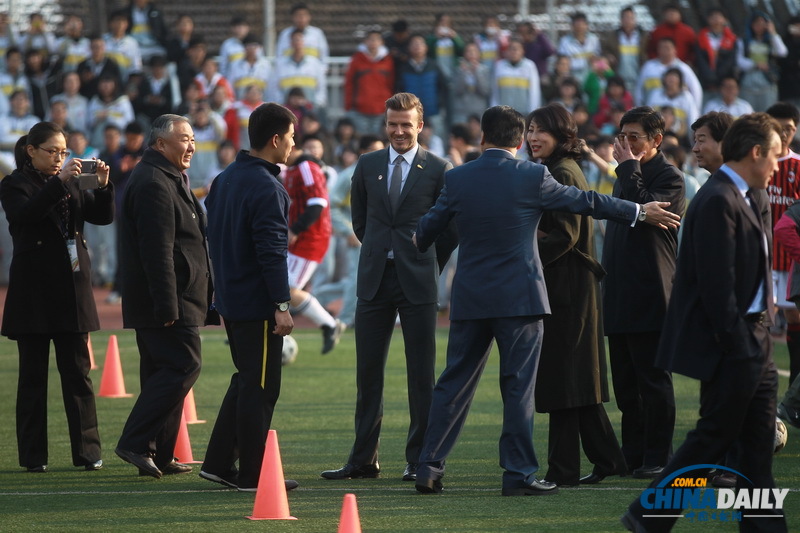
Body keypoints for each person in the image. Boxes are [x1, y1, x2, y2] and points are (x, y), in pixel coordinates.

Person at [411, 105, 681, 495]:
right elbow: (588, 201)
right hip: (521, 299)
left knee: (453, 383)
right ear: (519, 141)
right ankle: (518, 475)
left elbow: (424, 233)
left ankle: (429, 468)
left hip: (471, 299)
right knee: (519, 389)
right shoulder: (533, 176)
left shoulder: (458, 179)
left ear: (482, 138)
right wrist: (638, 210)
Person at [621, 112, 787, 533]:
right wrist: (740, 345)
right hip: (738, 344)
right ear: (754, 152)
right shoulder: (717, 200)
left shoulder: (749, 196)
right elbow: (717, 288)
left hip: (756, 340)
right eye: (774, 155)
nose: (778, 164)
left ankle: (759, 526)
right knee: (712, 439)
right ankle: (649, 515)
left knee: (754, 454)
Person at [320, 92, 457, 482]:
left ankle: (419, 460)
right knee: (368, 374)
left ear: (420, 125)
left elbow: (450, 229)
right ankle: (364, 460)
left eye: (406, 124)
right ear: (385, 124)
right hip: (375, 280)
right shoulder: (367, 165)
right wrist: (381, 251)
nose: (399, 131)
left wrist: (426, 262)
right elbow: (361, 222)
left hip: (418, 282)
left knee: (421, 377)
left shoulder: (439, 168)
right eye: (392, 124)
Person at [0, 121, 112, 473]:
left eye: (64, 152)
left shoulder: (72, 180)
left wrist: (105, 188)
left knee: (79, 374)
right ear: (31, 151)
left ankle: (88, 452)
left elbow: (101, 217)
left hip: (72, 286)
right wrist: (60, 181)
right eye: (53, 151)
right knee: (32, 378)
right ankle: (33, 458)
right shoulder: (14, 184)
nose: (60, 158)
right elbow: (25, 215)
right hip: (33, 290)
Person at [526, 104, 627, 487]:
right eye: (531, 129)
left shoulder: (562, 171)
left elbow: (564, 236)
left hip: (567, 286)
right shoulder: (555, 169)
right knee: (576, 379)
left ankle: (563, 470)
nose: (534, 137)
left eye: (542, 130)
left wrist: (528, 248)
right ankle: (607, 460)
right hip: (569, 285)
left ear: (561, 134)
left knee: (565, 379)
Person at [200, 102, 297, 492]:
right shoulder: (265, 185)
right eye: (291, 137)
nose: (293, 144)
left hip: (231, 298)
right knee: (260, 388)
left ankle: (220, 462)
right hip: (256, 304)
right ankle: (254, 475)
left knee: (246, 381)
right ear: (275, 139)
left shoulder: (225, 179)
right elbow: (272, 251)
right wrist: (282, 305)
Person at [115, 114, 218, 478]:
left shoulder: (165, 175)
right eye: (184, 139)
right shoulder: (155, 181)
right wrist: (167, 304)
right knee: (182, 366)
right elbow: (157, 251)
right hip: (169, 299)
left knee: (162, 369)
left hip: (175, 295)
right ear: (160, 144)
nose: (191, 146)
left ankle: (158, 453)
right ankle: (134, 442)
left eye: (192, 139)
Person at [601, 106, 685, 479]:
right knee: (625, 384)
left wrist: (628, 167)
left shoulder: (670, 177)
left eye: (634, 136)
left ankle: (659, 455)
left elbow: (644, 211)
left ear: (656, 140)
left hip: (652, 292)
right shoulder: (625, 176)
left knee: (653, 381)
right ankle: (632, 455)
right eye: (623, 136)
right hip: (619, 291)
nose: (626, 144)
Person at [282, 141, 344, 354]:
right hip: (298, 238)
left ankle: (329, 324)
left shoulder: (306, 167)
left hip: (310, 238)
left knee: (287, 290)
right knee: (273, 284)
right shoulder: (291, 169)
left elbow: (318, 203)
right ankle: (256, 332)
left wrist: (296, 229)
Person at [766, 102, 800, 382]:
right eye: (779, 128)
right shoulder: (756, 162)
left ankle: (794, 390)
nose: (785, 134)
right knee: (758, 321)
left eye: (789, 128)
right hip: (762, 256)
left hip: (790, 258)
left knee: (795, 320)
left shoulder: (799, 166)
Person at [344, 30, 394, 137]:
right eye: (370, 40)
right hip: (359, 110)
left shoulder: (388, 60)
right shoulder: (357, 59)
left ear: (381, 42)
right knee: (362, 141)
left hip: (382, 110)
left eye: (376, 40)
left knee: (379, 142)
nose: (373, 42)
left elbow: (392, 84)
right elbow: (349, 83)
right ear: (365, 42)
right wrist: (348, 106)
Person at [736, 10, 788, 112]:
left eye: (762, 23)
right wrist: (755, 64)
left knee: (768, 113)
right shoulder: (743, 41)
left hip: (767, 81)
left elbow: (782, 52)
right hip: (748, 82)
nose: (759, 26)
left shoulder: (770, 41)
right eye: (756, 23)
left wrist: (773, 33)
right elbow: (739, 60)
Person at [556, 12, 601, 84]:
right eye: (577, 24)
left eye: (582, 24)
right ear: (572, 26)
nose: (580, 27)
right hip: (571, 76)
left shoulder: (594, 39)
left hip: (590, 75)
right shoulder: (564, 41)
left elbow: (598, 58)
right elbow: (562, 61)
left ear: (587, 25)